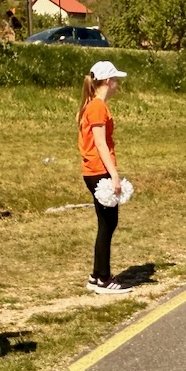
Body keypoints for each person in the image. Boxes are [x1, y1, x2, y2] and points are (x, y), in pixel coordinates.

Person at [78, 61, 133, 295]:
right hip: (98, 171)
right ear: (108, 81)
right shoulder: (98, 107)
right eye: (116, 80)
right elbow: (100, 143)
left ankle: (97, 273)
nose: (117, 85)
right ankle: (102, 278)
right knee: (107, 224)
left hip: (94, 170)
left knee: (107, 223)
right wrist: (114, 175)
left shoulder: (93, 105)